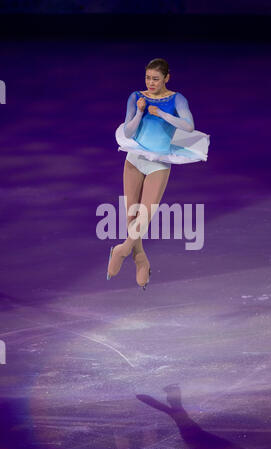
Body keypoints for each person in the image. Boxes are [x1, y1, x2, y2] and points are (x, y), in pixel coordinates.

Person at [107, 58, 210, 290]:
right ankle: (140, 257)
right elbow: (128, 131)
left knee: (144, 217)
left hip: (160, 163)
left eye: (155, 78)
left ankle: (122, 249)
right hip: (135, 158)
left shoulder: (177, 98)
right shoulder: (136, 96)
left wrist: (162, 114)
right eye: (147, 78)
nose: (151, 83)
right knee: (132, 216)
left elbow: (189, 126)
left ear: (166, 78)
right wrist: (140, 113)